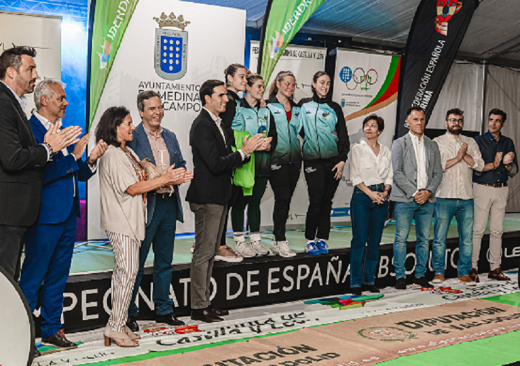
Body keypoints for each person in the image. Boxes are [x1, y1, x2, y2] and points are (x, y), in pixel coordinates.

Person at [17, 80, 107, 355]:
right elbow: (40, 175)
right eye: (61, 98)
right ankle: (21, 336)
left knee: (58, 276)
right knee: (33, 277)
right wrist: (72, 156)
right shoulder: (30, 131)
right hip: (45, 217)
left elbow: (72, 172)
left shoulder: (62, 133)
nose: (66, 102)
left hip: (67, 216)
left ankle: (51, 330)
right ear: (44, 100)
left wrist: (88, 160)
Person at [96, 106, 184, 347]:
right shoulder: (113, 154)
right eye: (127, 123)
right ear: (114, 127)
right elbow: (132, 188)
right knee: (126, 274)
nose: (132, 127)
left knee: (126, 274)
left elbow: (143, 180)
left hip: (132, 221)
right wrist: (165, 179)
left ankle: (120, 321)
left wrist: (169, 178)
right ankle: (114, 327)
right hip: (121, 221)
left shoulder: (128, 153)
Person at [0, 46, 81, 280]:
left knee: (11, 281)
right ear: (11, 72)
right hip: (9, 213)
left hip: (18, 213)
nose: (36, 75)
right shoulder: (4, 103)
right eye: (31, 69)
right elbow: (12, 158)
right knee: (7, 283)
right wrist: (48, 148)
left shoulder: (14, 103)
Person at [186, 80, 263, 323]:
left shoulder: (217, 124)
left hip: (219, 197)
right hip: (207, 197)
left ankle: (204, 303)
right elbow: (216, 163)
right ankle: (198, 307)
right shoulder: (202, 126)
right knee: (204, 252)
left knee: (211, 254)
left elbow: (225, 159)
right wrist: (243, 152)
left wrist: (247, 150)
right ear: (207, 98)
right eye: (220, 95)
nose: (226, 99)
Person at [125, 91, 193, 332]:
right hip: (145, 206)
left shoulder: (171, 136)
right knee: (136, 264)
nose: (158, 112)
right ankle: (128, 313)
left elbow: (181, 164)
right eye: (152, 108)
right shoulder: (133, 137)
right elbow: (128, 171)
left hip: (168, 204)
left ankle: (164, 310)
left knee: (165, 262)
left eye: (160, 107)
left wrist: (181, 175)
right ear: (141, 112)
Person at [297, 71, 349, 255]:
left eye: (327, 83)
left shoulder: (335, 107)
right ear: (313, 83)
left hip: (333, 162)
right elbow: (296, 125)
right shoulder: (303, 105)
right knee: (316, 200)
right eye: (321, 82)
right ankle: (310, 240)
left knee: (327, 201)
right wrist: (310, 140)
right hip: (312, 160)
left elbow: (343, 135)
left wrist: (342, 160)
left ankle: (322, 240)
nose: (325, 86)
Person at [391, 106, 442, 290]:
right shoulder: (399, 143)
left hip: (427, 199)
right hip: (405, 199)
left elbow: (438, 173)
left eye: (422, 119)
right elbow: (397, 173)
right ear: (407, 122)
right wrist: (415, 193)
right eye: (415, 119)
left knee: (423, 239)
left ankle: (420, 275)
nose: (419, 122)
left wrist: (427, 192)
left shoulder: (432, 144)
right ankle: (400, 276)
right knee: (401, 238)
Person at [432, 108, 484, 286]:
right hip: (444, 197)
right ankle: (439, 272)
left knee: (467, 238)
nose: (457, 123)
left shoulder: (470, 142)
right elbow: (437, 167)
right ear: (446, 123)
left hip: (466, 198)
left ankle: (463, 271)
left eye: (460, 120)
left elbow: (480, 165)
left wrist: (466, 155)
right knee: (440, 238)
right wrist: (458, 157)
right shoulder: (437, 142)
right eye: (453, 120)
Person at [231, 73, 277, 257]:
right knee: (240, 203)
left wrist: (269, 145)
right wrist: (253, 146)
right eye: (258, 86)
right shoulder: (237, 109)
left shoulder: (266, 111)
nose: (261, 90)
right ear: (247, 88)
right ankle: (240, 242)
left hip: (263, 164)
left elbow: (273, 136)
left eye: (263, 86)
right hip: (244, 165)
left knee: (255, 202)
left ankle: (256, 241)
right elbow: (235, 136)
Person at [471, 108, 518, 282]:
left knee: (497, 231)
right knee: (478, 230)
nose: (493, 123)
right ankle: (473, 268)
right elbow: (475, 167)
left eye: (497, 121)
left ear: (503, 123)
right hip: (482, 188)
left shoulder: (508, 142)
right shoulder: (478, 141)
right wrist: (497, 163)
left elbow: (514, 170)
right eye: (491, 120)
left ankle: (495, 268)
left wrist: (507, 164)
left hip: (502, 189)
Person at [349, 115, 392, 295]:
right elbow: (355, 176)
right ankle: (356, 283)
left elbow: (389, 175)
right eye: (366, 125)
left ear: (379, 130)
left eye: (373, 126)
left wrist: (385, 192)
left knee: (374, 241)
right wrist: (371, 194)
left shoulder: (386, 151)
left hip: (381, 197)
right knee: (359, 240)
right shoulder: (357, 149)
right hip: (362, 196)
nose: (368, 128)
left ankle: (370, 280)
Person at [267, 71, 301, 257]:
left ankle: (276, 240)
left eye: (293, 85)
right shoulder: (268, 106)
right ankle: (280, 239)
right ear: (278, 84)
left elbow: (303, 132)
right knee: (282, 198)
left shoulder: (296, 108)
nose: (290, 88)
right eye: (287, 83)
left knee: (285, 200)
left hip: (294, 161)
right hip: (276, 159)